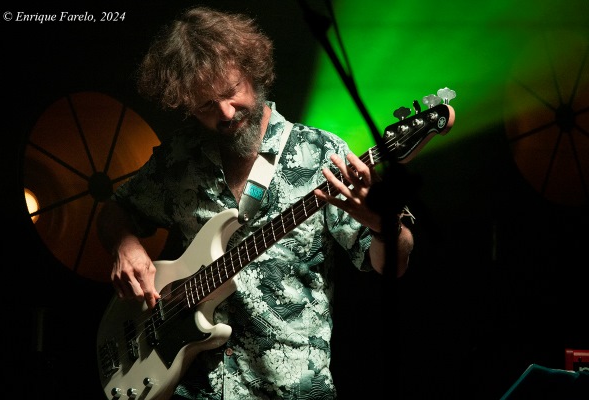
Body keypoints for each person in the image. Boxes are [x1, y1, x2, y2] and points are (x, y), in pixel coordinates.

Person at [97, 6, 414, 399]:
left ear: (253, 71)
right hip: (196, 389)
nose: (226, 113)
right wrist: (125, 245)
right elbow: (115, 211)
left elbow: (393, 265)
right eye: (206, 106)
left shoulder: (321, 154)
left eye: (231, 92)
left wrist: (383, 224)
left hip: (293, 390)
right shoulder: (179, 160)